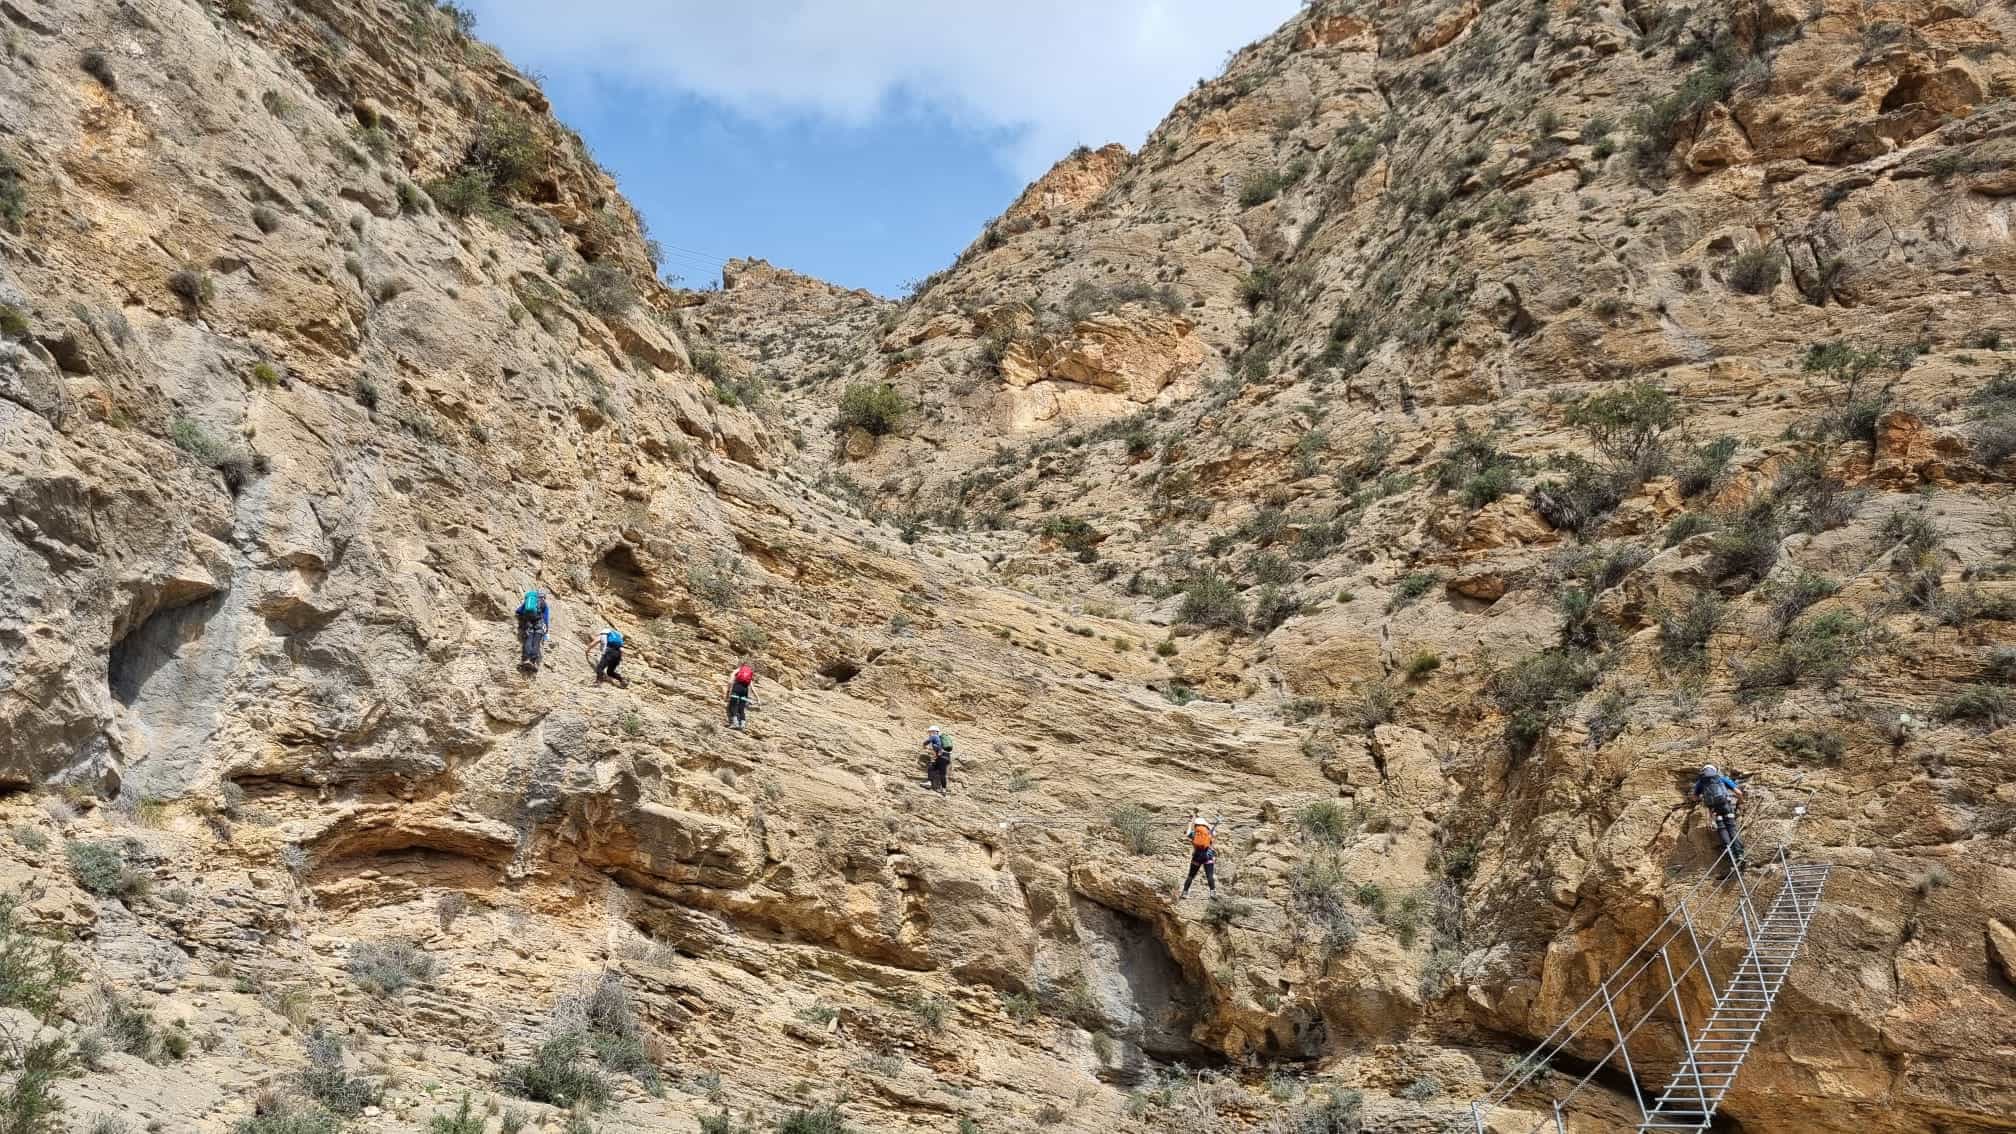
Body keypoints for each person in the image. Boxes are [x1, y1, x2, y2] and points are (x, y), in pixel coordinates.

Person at [1691, 763, 1744, 864]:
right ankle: (1740, 854)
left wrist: (1702, 797)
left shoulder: (1701, 782)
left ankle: (1731, 856)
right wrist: (1741, 801)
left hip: (1713, 810)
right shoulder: (1721, 778)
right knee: (1731, 828)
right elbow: (1738, 792)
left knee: (1722, 829)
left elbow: (1694, 797)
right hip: (1725, 806)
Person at [1181, 813, 1220, 898]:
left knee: (1191, 875)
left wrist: (1190, 822)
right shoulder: (1208, 832)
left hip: (1197, 856)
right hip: (1208, 856)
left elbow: (1187, 833)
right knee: (1209, 875)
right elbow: (1214, 835)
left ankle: (1185, 892)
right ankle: (1213, 893)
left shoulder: (1194, 833)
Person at [515, 590, 550, 668]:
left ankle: (525, 659)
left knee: (528, 640)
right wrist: (546, 629)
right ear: (544, 597)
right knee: (536, 642)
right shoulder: (544, 604)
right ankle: (532, 661)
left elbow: (518, 610)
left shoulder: (529, 602)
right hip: (539, 625)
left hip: (528, 624)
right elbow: (546, 618)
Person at [920, 726, 952, 794]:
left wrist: (924, 745)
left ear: (934, 731)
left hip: (941, 757)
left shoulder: (934, 736)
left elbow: (927, 741)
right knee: (942, 774)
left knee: (931, 768)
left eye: (929, 732)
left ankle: (929, 783)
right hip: (947, 758)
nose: (929, 733)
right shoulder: (941, 738)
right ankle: (944, 789)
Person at [726, 660, 757, 729]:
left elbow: (730, 681)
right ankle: (743, 725)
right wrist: (754, 698)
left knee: (732, 705)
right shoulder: (749, 674)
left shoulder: (739, 669)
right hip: (745, 690)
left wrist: (728, 692)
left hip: (737, 688)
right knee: (741, 708)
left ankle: (735, 723)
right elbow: (751, 687)